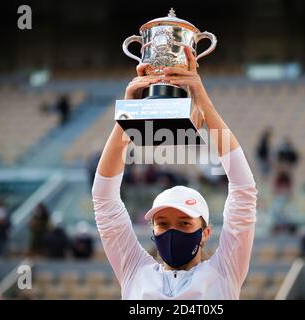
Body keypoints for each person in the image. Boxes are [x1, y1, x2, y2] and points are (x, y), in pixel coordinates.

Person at [91, 46, 258, 299]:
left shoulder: (224, 272)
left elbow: (243, 189)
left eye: (184, 223)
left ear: (205, 233)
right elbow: (104, 199)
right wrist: (127, 115)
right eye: (163, 224)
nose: (172, 232)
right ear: (153, 230)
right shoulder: (134, 271)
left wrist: (205, 104)